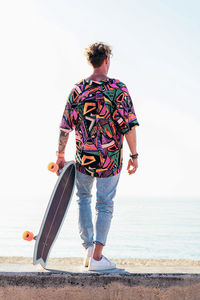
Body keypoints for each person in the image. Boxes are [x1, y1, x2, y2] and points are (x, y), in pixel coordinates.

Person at [56, 42, 139, 271]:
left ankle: (89, 250)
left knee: (83, 198)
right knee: (105, 204)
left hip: (84, 158)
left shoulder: (78, 90)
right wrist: (134, 155)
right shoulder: (118, 89)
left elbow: (65, 128)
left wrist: (60, 155)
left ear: (91, 61)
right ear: (106, 60)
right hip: (110, 158)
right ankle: (98, 258)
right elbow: (130, 126)